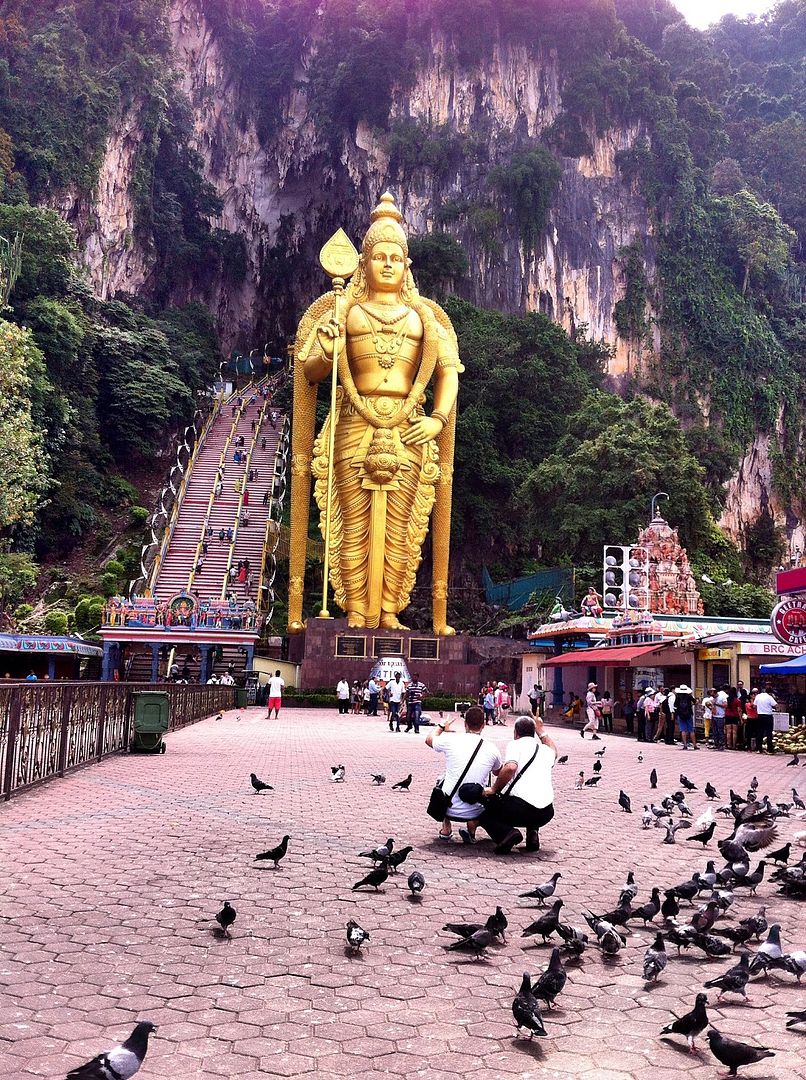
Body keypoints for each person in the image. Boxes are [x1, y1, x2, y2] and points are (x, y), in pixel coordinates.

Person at [477, 715, 557, 854]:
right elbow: (554, 750)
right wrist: (541, 731)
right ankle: (532, 833)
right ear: (533, 733)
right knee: (532, 797)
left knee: (485, 814)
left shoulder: (515, 744)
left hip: (520, 811)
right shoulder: (545, 750)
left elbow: (510, 767)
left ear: (516, 733)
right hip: (546, 812)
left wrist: (494, 789)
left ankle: (508, 833)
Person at [425, 706, 502, 843]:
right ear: (483, 725)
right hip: (476, 811)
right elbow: (498, 772)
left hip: (448, 808)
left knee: (442, 780)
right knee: (484, 785)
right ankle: (471, 830)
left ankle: (446, 828)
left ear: (465, 723)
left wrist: (441, 725)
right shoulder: (492, 748)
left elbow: (429, 739)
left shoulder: (452, 739)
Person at [753, 684, 777, 753]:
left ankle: (759, 749)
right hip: (768, 716)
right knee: (769, 733)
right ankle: (769, 749)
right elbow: (776, 705)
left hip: (760, 716)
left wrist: (760, 708)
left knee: (760, 732)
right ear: (770, 692)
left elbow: (754, 706)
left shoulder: (758, 696)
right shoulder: (769, 697)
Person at [674, 684, 697, 750]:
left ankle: (685, 745)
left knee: (683, 730)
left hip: (680, 715)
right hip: (689, 714)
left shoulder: (677, 696)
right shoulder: (689, 696)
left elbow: (675, 705)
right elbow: (695, 702)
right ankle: (694, 745)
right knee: (691, 730)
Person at [744, 688, 759, 752]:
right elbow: (752, 707)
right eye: (753, 695)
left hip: (756, 719)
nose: (755, 696)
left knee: (756, 733)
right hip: (750, 719)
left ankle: (756, 747)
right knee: (749, 734)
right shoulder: (747, 703)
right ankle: (749, 747)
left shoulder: (757, 703)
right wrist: (752, 700)